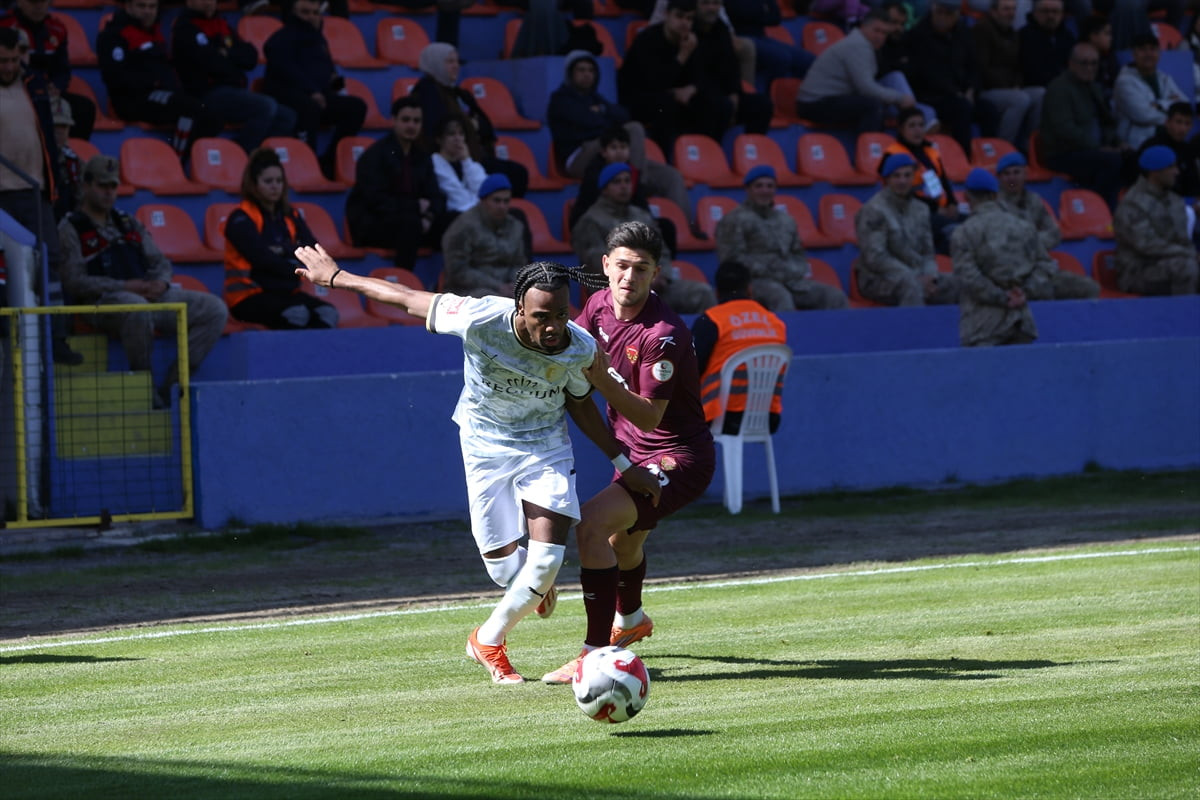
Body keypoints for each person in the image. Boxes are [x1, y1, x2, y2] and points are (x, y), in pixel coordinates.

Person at [291, 250, 660, 685]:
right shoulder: (481, 318)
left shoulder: (578, 346)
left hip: (544, 449)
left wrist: (621, 461)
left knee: (545, 563)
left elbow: (580, 406)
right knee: (506, 571)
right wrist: (337, 277)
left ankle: (487, 639)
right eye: (543, 316)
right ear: (519, 307)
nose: (554, 327)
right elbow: (406, 297)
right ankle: (527, 589)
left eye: (562, 314)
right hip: (484, 447)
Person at [542, 220, 716, 685]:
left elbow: (648, 418)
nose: (628, 277)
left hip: (677, 458)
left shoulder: (664, 335)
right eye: (621, 266)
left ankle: (593, 654)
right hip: (634, 458)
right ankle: (631, 618)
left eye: (641, 268)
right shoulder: (596, 305)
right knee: (622, 543)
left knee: (594, 526)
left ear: (656, 272)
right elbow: (567, 351)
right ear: (605, 265)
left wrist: (596, 372)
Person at [57, 155, 228, 407]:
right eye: (102, 185)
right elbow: (74, 281)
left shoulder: (128, 222)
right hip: (101, 303)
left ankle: (174, 384)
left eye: (113, 186)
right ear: (86, 186)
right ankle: (145, 386)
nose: (108, 192)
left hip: (146, 295)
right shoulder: (71, 227)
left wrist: (161, 283)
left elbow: (160, 262)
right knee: (137, 309)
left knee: (215, 310)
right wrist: (125, 287)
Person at [0, 26, 81, 364]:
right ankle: (9, 334)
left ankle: (56, 337)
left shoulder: (33, 84)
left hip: (36, 189)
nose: (8, 67)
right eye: (1, 61)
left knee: (51, 265)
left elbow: (48, 136)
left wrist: (55, 183)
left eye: (13, 60)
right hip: (2, 193)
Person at [571, 161, 715, 313]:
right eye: (617, 182)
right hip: (615, 293)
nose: (624, 186)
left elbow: (662, 251)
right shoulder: (591, 221)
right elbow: (598, 265)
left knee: (702, 294)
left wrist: (661, 275)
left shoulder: (642, 216)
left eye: (627, 181)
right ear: (605, 189)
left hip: (654, 285)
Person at [618, 0, 758, 153]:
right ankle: (663, 159)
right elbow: (652, 82)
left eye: (689, 18)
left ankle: (709, 154)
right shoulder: (647, 39)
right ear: (666, 15)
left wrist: (694, 87)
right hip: (642, 99)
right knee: (666, 105)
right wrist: (682, 57)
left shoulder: (693, 39)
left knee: (717, 103)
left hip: (679, 98)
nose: (684, 23)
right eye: (679, 17)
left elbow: (706, 74)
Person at [223, 148, 337, 329]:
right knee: (297, 314)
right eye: (268, 181)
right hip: (248, 296)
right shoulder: (240, 218)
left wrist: (282, 249)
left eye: (279, 181)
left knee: (328, 313)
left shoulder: (291, 215)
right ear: (254, 184)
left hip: (287, 292)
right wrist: (292, 255)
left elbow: (313, 250)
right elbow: (262, 259)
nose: (275, 186)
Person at [97, 0, 223, 160]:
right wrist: (154, 82)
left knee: (212, 115)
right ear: (128, 6)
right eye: (141, 6)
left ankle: (190, 161)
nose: (147, 11)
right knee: (192, 110)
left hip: (159, 94)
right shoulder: (113, 34)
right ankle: (176, 161)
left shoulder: (154, 31)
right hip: (133, 100)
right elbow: (115, 77)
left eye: (152, 6)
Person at [714, 164, 848, 311]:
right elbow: (732, 260)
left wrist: (793, 271)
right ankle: (787, 334)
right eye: (759, 186)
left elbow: (798, 254)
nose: (765, 191)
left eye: (770, 186)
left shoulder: (786, 220)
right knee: (780, 297)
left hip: (790, 280)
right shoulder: (734, 220)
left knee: (834, 296)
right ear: (748, 189)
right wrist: (770, 269)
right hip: (753, 282)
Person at [171, 0, 296, 154]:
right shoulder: (185, 28)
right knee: (265, 106)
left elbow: (250, 57)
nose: (209, 3)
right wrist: (229, 58)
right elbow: (212, 64)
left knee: (287, 116)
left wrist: (226, 54)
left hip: (233, 92)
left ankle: (259, 158)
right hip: (207, 94)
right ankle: (239, 155)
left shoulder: (222, 24)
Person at [951, 168, 1055, 347]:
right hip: (1021, 323)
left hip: (982, 327)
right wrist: (1024, 293)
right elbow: (1046, 265)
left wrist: (1003, 297)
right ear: (995, 195)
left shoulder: (964, 232)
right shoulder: (1024, 227)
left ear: (967, 197)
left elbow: (968, 277)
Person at [262, 0, 366, 178]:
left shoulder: (319, 39)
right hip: (288, 93)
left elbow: (329, 71)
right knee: (308, 107)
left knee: (356, 107)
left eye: (315, 13)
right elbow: (286, 69)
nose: (311, 17)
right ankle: (306, 163)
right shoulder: (282, 37)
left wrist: (338, 90)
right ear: (293, 13)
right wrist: (312, 91)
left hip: (318, 95)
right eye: (305, 12)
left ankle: (329, 161)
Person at [411, 42, 528, 197]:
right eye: (450, 62)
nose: (456, 66)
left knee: (517, 174)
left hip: (472, 158)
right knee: (515, 175)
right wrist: (470, 125)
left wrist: (474, 125)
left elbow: (486, 127)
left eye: (457, 62)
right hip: (450, 162)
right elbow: (439, 129)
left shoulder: (459, 93)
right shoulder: (426, 92)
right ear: (435, 63)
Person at [344, 96, 448, 270]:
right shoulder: (375, 155)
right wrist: (415, 208)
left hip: (414, 220)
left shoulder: (422, 156)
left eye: (416, 121)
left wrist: (428, 217)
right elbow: (375, 200)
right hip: (373, 224)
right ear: (394, 121)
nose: (411, 125)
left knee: (452, 222)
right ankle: (404, 287)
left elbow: (435, 195)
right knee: (409, 224)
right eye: (406, 120)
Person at [691, 260, 787, 435]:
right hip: (768, 417)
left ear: (717, 293)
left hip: (722, 416)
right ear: (749, 289)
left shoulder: (712, 320)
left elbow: (690, 371)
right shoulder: (776, 323)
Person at [854, 152, 961, 306]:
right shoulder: (873, 211)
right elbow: (875, 258)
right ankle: (914, 330)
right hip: (878, 278)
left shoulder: (922, 209)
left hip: (916, 273)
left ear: (913, 178)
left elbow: (928, 252)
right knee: (911, 286)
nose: (902, 181)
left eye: (907, 175)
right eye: (896, 176)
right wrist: (915, 277)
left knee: (959, 284)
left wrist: (930, 276)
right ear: (887, 180)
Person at [995, 152, 1100, 300]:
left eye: (1016, 172)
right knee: (1038, 291)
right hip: (1011, 274)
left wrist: (1032, 243)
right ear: (999, 178)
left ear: (1025, 174)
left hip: (1040, 269)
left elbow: (1054, 233)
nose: (1012, 178)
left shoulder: (1034, 201)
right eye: (1006, 174)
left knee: (1089, 288)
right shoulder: (993, 206)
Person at [1040, 42, 1128, 210]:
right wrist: (1098, 148)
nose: (1089, 68)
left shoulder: (1093, 87)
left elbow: (1106, 123)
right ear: (1071, 64)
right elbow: (1064, 130)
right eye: (1084, 63)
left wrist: (1117, 142)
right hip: (1063, 152)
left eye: (1094, 63)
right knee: (1111, 162)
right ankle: (1101, 209)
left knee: (1132, 157)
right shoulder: (1059, 89)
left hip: (1092, 149)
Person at [567, 125, 689, 246]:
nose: (619, 152)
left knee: (665, 228)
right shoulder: (594, 174)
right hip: (596, 223)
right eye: (614, 148)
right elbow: (590, 209)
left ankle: (663, 264)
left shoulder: (631, 172)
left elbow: (641, 205)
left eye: (623, 147)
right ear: (604, 152)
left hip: (624, 221)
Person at [794, 9, 909, 135]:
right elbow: (866, 88)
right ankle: (869, 149)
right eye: (876, 30)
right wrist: (899, 98)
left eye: (884, 33)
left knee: (883, 99)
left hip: (826, 99)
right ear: (863, 27)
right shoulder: (857, 46)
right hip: (814, 103)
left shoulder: (864, 44)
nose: (880, 37)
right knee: (873, 106)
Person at [0, 0, 95, 140]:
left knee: (84, 108)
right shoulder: (4, 26)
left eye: (43, 1)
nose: (38, 6)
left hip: (47, 92)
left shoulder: (57, 29)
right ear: (20, 2)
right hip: (14, 91)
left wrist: (57, 87)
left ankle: (68, 155)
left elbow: (63, 69)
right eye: (32, 2)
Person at [1112, 146, 1199, 295]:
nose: (1177, 172)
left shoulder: (1175, 201)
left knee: (1188, 265)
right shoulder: (1133, 204)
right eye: (1171, 167)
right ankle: (1182, 316)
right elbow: (1147, 245)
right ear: (1155, 171)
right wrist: (1189, 255)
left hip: (1175, 261)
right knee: (1186, 268)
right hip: (1138, 271)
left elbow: (1183, 240)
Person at [902, 0, 985, 155]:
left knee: (989, 110)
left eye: (948, 14)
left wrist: (972, 88)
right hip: (931, 96)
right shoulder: (918, 35)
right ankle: (964, 157)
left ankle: (991, 157)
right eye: (939, 12)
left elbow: (974, 66)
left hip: (960, 92)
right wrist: (955, 93)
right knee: (962, 108)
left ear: (957, 16)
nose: (942, 17)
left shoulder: (963, 33)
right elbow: (925, 73)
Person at [883, 107, 961, 254]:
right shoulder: (893, 155)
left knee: (975, 223)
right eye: (912, 126)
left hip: (940, 210)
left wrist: (952, 203)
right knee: (957, 231)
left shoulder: (930, 151)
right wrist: (935, 209)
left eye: (921, 125)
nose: (917, 130)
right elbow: (899, 193)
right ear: (901, 129)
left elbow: (943, 181)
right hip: (912, 213)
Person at [440, 173, 528, 297]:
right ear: (483, 200)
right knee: (487, 298)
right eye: (496, 200)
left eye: (506, 201)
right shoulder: (462, 227)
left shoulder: (516, 226)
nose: (502, 206)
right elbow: (458, 272)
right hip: (467, 293)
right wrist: (498, 287)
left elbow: (519, 263)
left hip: (506, 290)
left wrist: (513, 284)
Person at [972, 0, 1043, 148]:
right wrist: (1009, 86)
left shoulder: (1013, 33)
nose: (1011, 13)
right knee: (1019, 99)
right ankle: (1003, 147)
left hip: (1010, 87)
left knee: (1040, 93)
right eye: (1006, 9)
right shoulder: (982, 30)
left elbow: (1018, 66)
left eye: (1013, 9)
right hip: (987, 90)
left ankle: (1030, 146)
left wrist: (1017, 83)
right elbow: (981, 68)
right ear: (993, 11)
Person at [1113, 34, 1189, 151]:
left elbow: (1184, 103)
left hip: (1166, 139)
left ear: (1159, 53)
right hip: (1135, 145)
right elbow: (1143, 115)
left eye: (1152, 49)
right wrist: (1171, 104)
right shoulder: (1124, 81)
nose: (1148, 54)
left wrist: (1159, 105)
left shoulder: (1163, 77)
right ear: (1134, 53)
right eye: (1143, 49)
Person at [724, 0, 813, 92]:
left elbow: (775, 18)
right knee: (781, 57)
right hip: (740, 37)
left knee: (808, 59)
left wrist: (752, 17)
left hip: (762, 37)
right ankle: (766, 94)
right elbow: (736, 14)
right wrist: (761, 13)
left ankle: (800, 95)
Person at [1135, 102, 1200, 199]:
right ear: (1167, 122)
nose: (1183, 128)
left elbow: (1193, 185)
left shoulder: (1188, 150)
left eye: (1187, 123)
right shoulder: (1152, 147)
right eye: (1178, 122)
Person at [431, 115, 487, 216]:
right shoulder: (434, 163)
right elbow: (459, 201)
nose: (458, 138)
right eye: (451, 134)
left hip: (477, 217)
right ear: (439, 139)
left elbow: (485, 193)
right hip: (454, 220)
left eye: (461, 134)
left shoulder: (470, 163)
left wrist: (466, 161)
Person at [1018, 0, 1075, 90]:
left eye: (1055, 11)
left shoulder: (1068, 37)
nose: (1050, 16)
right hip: (1035, 87)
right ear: (1034, 13)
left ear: (1062, 14)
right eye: (1045, 11)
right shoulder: (1024, 36)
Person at [49, 95, 80, 219]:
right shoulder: (32, 159)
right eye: (55, 126)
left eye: (64, 126)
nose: (59, 132)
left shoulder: (74, 162)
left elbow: (80, 198)